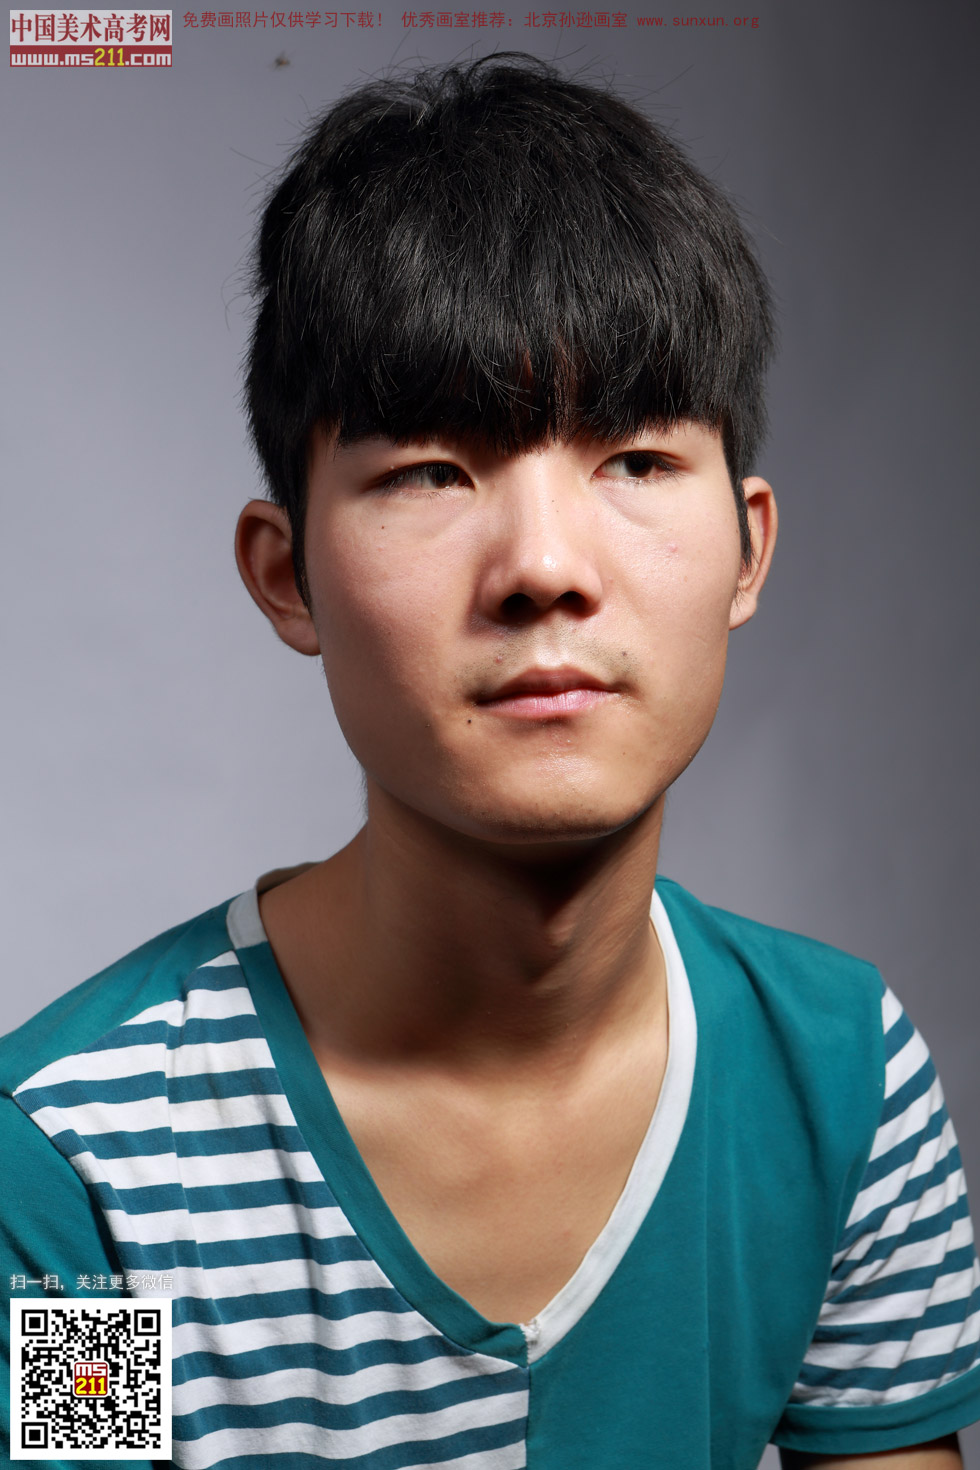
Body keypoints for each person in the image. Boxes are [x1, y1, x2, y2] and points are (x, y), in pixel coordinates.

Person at [2, 52, 979, 1470]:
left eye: (635, 459)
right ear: (285, 575)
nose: (543, 567)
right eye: (430, 473)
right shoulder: (76, 1164)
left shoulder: (838, 1078)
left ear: (748, 548)